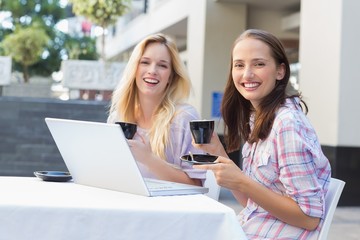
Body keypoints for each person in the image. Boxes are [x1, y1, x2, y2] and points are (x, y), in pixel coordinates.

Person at [192, 29, 332, 239]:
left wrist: (241, 180)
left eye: (258, 64)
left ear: (280, 71)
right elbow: (251, 203)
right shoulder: (257, 120)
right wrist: (217, 153)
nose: (247, 74)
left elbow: (309, 218)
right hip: (249, 229)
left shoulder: (287, 124)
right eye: (239, 65)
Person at [107, 33, 205, 186]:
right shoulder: (118, 117)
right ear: (134, 69)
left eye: (162, 65)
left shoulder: (185, 118)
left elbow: (196, 185)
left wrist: (149, 159)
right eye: (145, 62)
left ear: (171, 77)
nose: (152, 70)